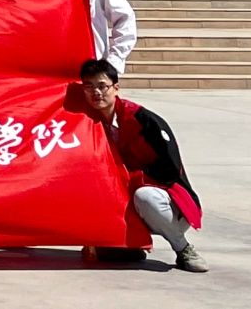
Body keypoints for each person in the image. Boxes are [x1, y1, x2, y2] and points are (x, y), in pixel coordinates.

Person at [78, 58, 207, 272]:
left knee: (145, 197)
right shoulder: (87, 122)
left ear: (116, 88)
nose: (96, 92)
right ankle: (130, 246)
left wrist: (125, 180)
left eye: (102, 86)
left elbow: (169, 169)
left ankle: (182, 248)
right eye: (89, 87)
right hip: (124, 196)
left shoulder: (144, 121)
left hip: (165, 201)